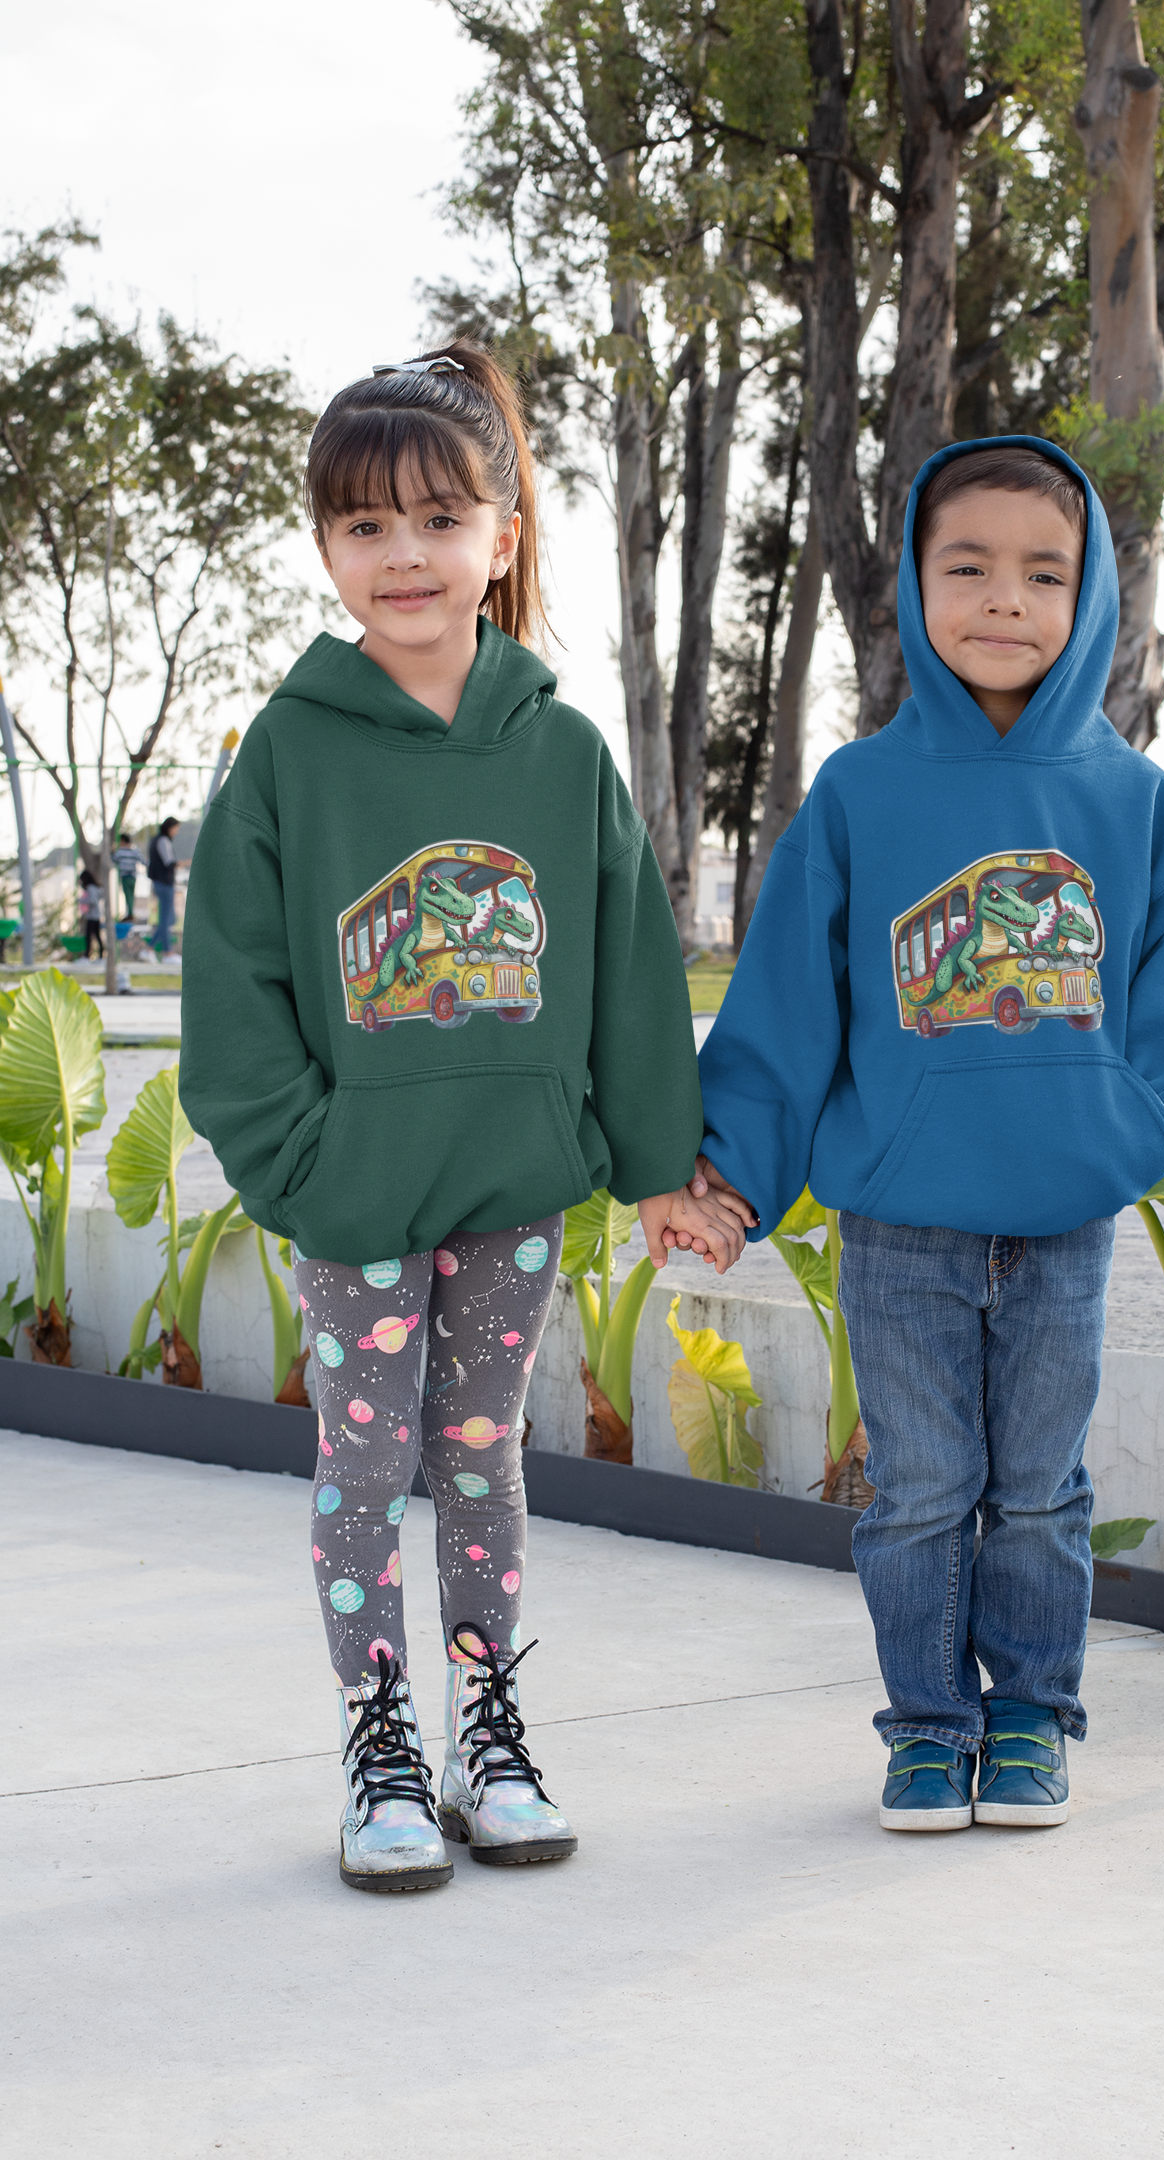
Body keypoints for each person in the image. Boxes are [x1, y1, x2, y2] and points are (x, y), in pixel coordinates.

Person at [178, 343, 749, 1895]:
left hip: (512, 1189)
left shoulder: (562, 752)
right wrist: (306, 1165)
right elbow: (232, 986)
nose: (404, 554)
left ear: (502, 537)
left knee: (484, 1459)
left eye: (438, 519)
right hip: (356, 1200)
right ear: (325, 548)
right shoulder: (289, 750)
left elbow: (630, 978)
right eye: (365, 525)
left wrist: (655, 1169)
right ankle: (380, 1744)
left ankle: (487, 1735)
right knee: (366, 1467)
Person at [692, 438, 1164, 1834]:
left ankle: (1033, 1717)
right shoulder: (861, 793)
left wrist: (1134, 1122)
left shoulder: (1131, 797)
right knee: (921, 1492)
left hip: (1065, 1217)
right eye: (968, 566)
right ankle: (929, 1728)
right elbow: (788, 1001)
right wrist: (735, 1172)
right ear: (914, 588)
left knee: (1039, 1492)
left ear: (1091, 597)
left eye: (1045, 574)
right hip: (899, 1221)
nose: (1005, 599)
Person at [147, 817, 180, 957]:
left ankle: (149, 949)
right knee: (166, 920)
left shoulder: (157, 840)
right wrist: (187, 862)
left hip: (161, 883)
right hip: (164, 884)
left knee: (170, 919)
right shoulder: (163, 841)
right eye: (176, 829)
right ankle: (167, 953)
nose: (176, 832)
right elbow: (169, 863)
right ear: (170, 827)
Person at [113, 832, 143, 923]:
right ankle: (130, 913)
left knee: (128, 895)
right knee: (131, 896)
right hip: (133, 876)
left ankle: (130, 914)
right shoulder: (135, 851)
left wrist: (112, 851)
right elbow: (143, 860)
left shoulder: (120, 852)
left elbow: (114, 859)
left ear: (122, 841)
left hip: (125, 876)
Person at [77, 868, 103, 960]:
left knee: (89, 937)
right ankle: (99, 955)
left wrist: (81, 900)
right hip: (95, 916)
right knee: (96, 936)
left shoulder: (90, 888)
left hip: (93, 917)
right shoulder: (94, 888)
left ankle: (87, 955)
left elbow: (93, 901)